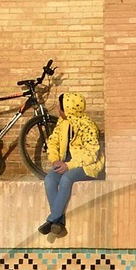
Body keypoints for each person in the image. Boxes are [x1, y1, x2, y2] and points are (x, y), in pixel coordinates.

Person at [38, 91, 104, 236]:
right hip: (64, 165)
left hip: (87, 166)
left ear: (68, 108)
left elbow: (92, 154)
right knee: (49, 179)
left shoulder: (88, 126)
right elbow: (53, 142)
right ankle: (59, 223)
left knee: (66, 179)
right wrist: (55, 159)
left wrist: (69, 165)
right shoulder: (62, 123)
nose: (58, 110)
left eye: (60, 107)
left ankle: (53, 219)